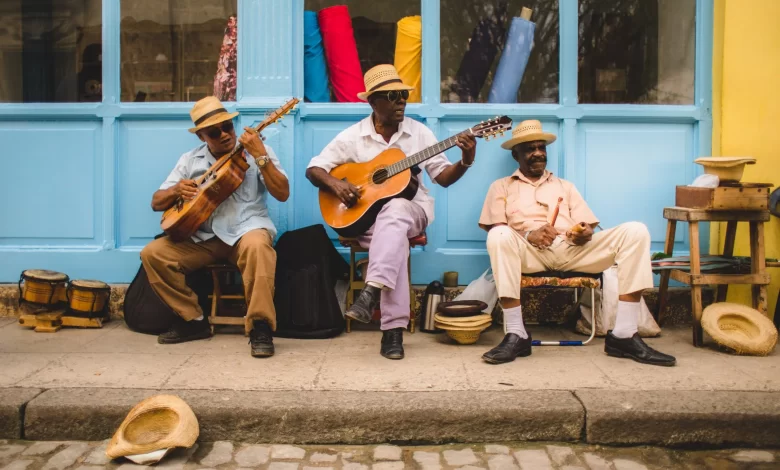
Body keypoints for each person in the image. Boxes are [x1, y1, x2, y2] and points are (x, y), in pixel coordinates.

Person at [305, 64, 477, 360]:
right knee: (393, 239)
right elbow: (313, 169)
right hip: (365, 220)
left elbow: (443, 178)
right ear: (373, 102)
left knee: (396, 207)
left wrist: (466, 159)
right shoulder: (352, 137)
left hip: (414, 212)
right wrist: (335, 184)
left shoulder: (419, 133)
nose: (401, 101)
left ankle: (372, 294)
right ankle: (391, 332)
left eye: (403, 95)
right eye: (393, 95)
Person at [478, 119, 676, 367]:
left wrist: (584, 233)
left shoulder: (565, 186)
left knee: (636, 231)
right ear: (515, 154)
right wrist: (529, 235)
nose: (538, 153)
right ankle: (517, 334)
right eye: (530, 148)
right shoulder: (501, 187)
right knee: (498, 235)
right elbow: (495, 226)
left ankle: (624, 335)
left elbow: (587, 225)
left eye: (542, 147)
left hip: (573, 250)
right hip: (528, 253)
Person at [141, 96, 289, 358]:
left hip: (246, 230)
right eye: (213, 132)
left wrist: (262, 157)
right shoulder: (190, 161)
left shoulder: (256, 151)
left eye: (227, 127)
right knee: (153, 253)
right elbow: (156, 201)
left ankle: (260, 326)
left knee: (258, 247)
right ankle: (193, 321)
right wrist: (177, 190)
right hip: (204, 238)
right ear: (201, 137)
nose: (224, 135)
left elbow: (283, 193)